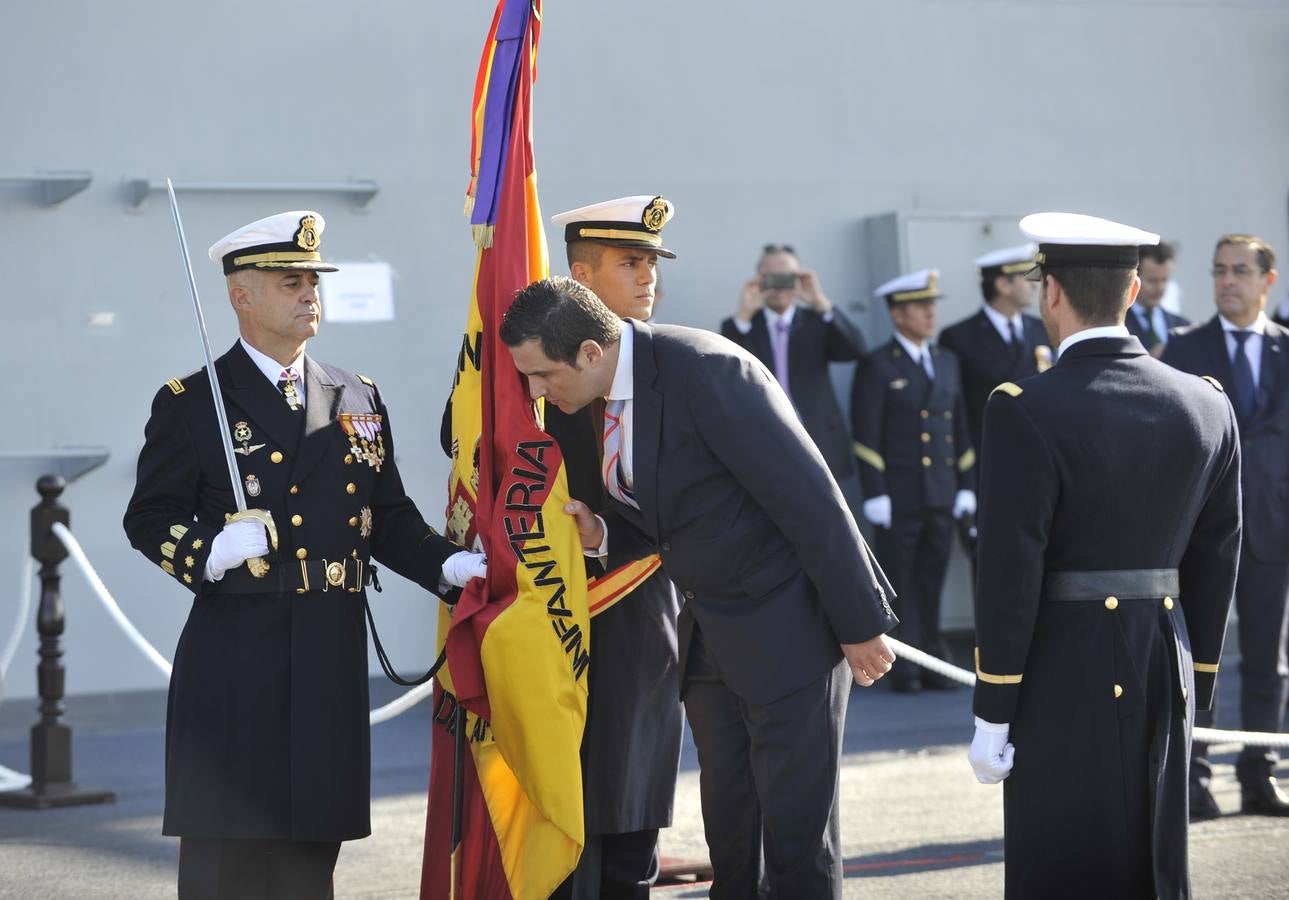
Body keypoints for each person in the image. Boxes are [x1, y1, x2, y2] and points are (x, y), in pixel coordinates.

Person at [123, 211, 485, 900]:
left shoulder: (356, 394)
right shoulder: (194, 403)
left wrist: (446, 565)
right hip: (238, 652)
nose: (309, 294)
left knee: (307, 856)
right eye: (290, 282)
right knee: (227, 858)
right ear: (241, 296)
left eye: (313, 281)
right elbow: (150, 517)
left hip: (327, 647)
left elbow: (388, 516)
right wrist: (212, 548)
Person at [499, 277, 898, 898]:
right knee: (734, 842)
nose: (536, 391)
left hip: (787, 632)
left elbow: (811, 498)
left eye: (543, 374)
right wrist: (603, 529)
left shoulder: (707, 370)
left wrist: (859, 623)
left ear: (589, 353)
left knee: (796, 846)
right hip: (712, 639)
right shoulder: (614, 391)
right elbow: (681, 512)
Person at [967, 212, 1240, 899]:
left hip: (1062, 663)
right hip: (1164, 655)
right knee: (1152, 861)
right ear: (1129, 294)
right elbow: (1215, 556)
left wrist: (992, 707)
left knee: (1063, 857)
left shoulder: (1023, 407)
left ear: (1049, 293)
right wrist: (1196, 682)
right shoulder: (1205, 404)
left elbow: (1008, 568)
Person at [546, 195, 685, 899]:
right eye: (629, 263)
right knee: (559, 826)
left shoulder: (671, 365)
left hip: (641, 607)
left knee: (632, 819)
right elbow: (468, 444)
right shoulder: (526, 359)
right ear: (580, 273)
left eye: (651, 263)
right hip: (553, 613)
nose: (647, 278)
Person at [1161, 232, 1289, 820]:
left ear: (1269, 280)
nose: (1227, 281)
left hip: (1272, 529)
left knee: (1267, 661)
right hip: (1202, 532)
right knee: (1198, 660)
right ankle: (1191, 779)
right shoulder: (1183, 349)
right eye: (1219, 271)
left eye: (1241, 271)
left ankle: (1259, 778)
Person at [851, 269, 975, 692]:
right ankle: (905, 666)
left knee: (932, 580)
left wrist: (965, 484)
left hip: (940, 492)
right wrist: (876, 492)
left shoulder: (946, 361)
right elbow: (866, 434)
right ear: (897, 314)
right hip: (899, 496)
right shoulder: (879, 364)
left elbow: (959, 428)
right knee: (899, 585)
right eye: (919, 307)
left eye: (931, 306)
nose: (929, 314)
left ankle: (935, 662)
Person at [719, 244, 866, 502]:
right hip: (765, 439)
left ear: (800, 278)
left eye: (786, 276)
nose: (778, 284)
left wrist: (820, 302)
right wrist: (744, 313)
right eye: (770, 276)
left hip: (818, 437)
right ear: (758, 280)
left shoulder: (816, 321)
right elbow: (724, 371)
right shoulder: (744, 325)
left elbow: (855, 350)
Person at [938, 244, 1051, 458]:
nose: (1034, 286)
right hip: (989, 452)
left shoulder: (1041, 329)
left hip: (1040, 448)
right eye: (1026, 277)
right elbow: (955, 409)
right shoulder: (959, 337)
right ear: (1003, 284)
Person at [1126, 240, 1189, 355]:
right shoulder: (1118, 324)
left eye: (1164, 280)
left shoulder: (1183, 326)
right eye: (1152, 280)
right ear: (1134, 279)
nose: (1159, 288)